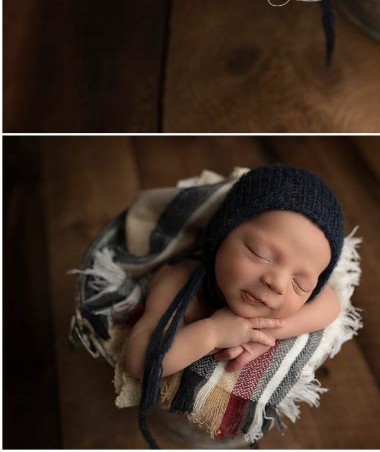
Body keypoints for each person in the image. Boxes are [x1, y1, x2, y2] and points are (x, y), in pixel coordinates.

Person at [124, 165, 345, 448]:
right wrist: (214, 332)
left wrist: (267, 330)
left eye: (300, 283)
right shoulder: (181, 281)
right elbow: (140, 359)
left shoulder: (294, 297)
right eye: (259, 253)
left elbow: (330, 303)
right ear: (222, 234)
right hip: (176, 427)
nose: (277, 283)